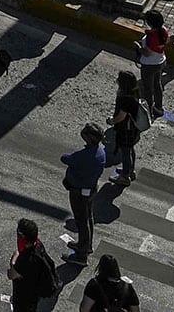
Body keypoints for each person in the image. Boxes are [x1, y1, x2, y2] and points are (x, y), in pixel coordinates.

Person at [63, 122, 108, 258]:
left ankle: (81, 254)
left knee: (81, 221)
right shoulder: (100, 153)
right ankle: (86, 245)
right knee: (88, 218)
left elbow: (66, 158)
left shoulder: (85, 155)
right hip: (90, 189)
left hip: (79, 191)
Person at [8, 217, 60, 312]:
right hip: (34, 293)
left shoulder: (26, 260)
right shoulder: (38, 245)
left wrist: (13, 261)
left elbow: (11, 274)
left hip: (23, 298)